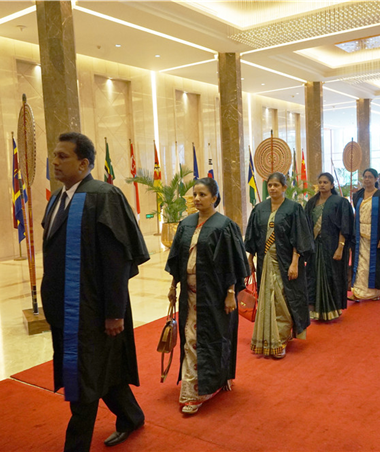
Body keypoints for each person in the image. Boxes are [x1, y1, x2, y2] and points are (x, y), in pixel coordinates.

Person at [41, 132, 149, 451]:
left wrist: (115, 312)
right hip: (64, 309)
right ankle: (131, 416)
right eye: (54, 155)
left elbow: (117, 261)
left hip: (92, 308)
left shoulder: (103, 196)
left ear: (83, 163)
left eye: (63, 156)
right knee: (100, 369)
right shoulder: (57, 198)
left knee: (83, 379)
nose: (55, 161)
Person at [166, 178, 249, 414]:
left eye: (202, 195)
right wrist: (173, 286)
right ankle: (193, 392)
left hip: (215, 295)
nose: (197, 199)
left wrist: (231, 293)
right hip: (190, 296)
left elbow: (231, 262)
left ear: (214, 198)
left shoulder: (224, 226)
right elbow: (177, 259)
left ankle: (217, 379)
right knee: (191, 338)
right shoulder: (186, 224)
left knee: (215, 337)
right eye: (195, 194)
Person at [245, 172, 314, 359]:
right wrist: (250, 259)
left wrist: (295, 263)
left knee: (282, 300)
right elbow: (253, 237)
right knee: (267, 299)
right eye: (270, 185)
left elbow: (299, 237)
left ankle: (281, 339)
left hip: (285, 262)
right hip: (264, 262)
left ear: (284, 187)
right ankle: (267, 338)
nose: (273, 188)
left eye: (276, 185)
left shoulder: (293, 208)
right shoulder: (259, 209)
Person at [304, 173, 354, 321]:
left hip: (332, 246)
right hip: (315, 247)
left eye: (325, 182)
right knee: (313, 276)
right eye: (320, 182)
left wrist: (341, 247)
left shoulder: (340, 202)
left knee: (332, 276)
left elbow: (345, 226)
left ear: (332, 185)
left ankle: (332, 309)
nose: (322, 185)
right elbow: (306, 225)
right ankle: (314, 309)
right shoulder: (311, 203)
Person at [351, 168, 380, 301]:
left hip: (376, 234)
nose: (367, 180)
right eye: (365, 177)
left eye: (370, 177)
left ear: (375, 179)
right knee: (361, 263)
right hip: (360, 234)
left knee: (374, 263)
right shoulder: (358, 195)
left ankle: (374, 291)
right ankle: (359, 291)